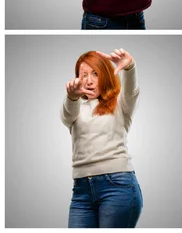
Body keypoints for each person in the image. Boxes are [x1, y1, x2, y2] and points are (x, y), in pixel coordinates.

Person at [62, 48, 143, 228]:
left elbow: (131, 91)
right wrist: (71, 97)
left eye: (95, 74)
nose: (89, 81)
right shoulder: (75, 109)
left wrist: (129, 68)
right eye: (83, 75)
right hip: (81, 191)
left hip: (117, 187)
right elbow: (66, 115)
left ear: (106, 75)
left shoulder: (120, 103)